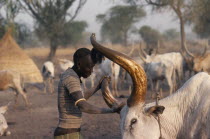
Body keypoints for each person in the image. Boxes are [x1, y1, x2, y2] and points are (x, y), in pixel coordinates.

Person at [54, 48, 120, 139]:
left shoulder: (72, 75)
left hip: (70, 133)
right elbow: (83, 106)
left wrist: (98, 86)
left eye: (92, 67)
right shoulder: (71, 78)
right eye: (88, 67)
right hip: (67, 135)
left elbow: (81, 97)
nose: (91, 71)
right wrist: (111, 110)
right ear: (79, 64)